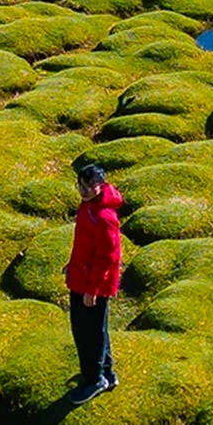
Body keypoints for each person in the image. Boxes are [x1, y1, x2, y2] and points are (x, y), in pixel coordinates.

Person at [64, 160, 123, 404]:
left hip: (93, 285)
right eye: (80, 185)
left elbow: (108, 257)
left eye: (89, 185)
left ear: (101, 185)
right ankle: (107, 373)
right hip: (81, 277)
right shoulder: (86, 207)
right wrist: (72, 264)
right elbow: (84, 245)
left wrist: (93, 290)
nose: (83, 190)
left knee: (87, 332)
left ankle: (94, 379)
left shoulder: (105, 217)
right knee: (94, 329)